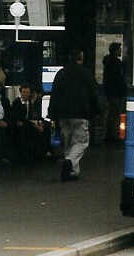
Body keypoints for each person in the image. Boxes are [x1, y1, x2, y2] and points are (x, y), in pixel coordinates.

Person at [48, 49, 100, 181]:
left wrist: (52, 113)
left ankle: (73, 171)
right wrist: (96, 111)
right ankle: (69, 162)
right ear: (81, 59)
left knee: (68, 142)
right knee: (81, 142)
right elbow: (93, 94)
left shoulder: (61, 73)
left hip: (63, 114)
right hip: (80, 113)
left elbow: (54, 95)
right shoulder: (86, 73)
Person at [11, 83, 46, 161]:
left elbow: (33, 115)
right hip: (21, 124)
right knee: (27, 128)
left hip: (29, 123)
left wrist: (39, 122)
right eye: (23, 92)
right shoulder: (16, 102)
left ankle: (44, 152)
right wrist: (34, 124)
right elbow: (18, 117)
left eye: (27, 92)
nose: (25, 94)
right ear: (20, 92)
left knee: (45, 126)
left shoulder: (30, 103)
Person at [102, 43, 127, 142]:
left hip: (110, 92)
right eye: (119, 49)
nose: (121, 51)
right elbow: (118, 79)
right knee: (115, 115)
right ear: (116, 51)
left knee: (110, 115)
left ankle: (108, 134)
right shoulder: (116, 63)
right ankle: (114, 135)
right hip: (116, 93)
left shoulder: (108, 62)